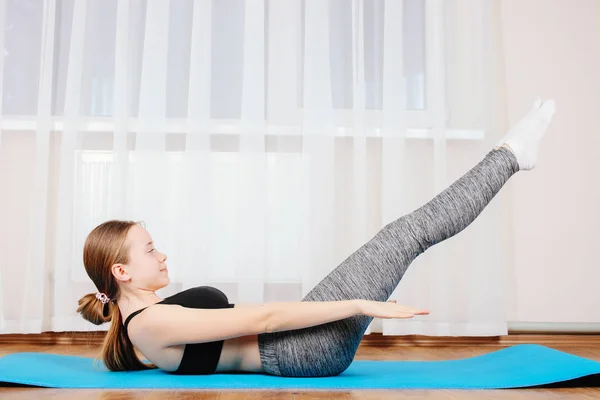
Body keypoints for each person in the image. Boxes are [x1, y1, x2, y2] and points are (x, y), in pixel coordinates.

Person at [78, 98, 556, 377]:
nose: (161, 254)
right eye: (149, 249)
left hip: (296, 343)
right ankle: (511, 155)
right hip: (302, 350)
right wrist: (358, 304)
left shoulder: (140, 329)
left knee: (404, 234)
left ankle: (510, 154)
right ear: (121, 271)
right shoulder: (147, 325)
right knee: (406, 234)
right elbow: (265, 316)